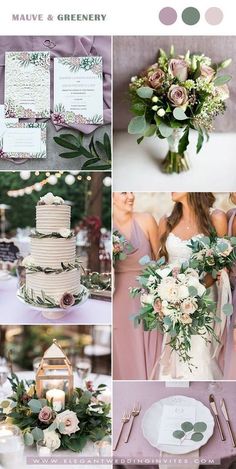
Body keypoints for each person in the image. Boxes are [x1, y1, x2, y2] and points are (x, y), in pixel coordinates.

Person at [157, 192, 227, 380]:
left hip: (203, 299)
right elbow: (161, 264)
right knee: (174, 351)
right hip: (171, 300)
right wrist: (167, 294)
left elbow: (219, 265)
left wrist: (192, 293)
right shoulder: (166, 221)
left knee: (198, 354)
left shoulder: (216, 218)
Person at [113, 192, 161, 379]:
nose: (130, 196)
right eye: (124, 192)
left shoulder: (147, 220)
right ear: (113, 197)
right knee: (124, 346)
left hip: (147, 295)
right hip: (119, 298)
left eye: (132, 191)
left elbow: (159, 260)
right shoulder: (108, 228)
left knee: (150, 343)